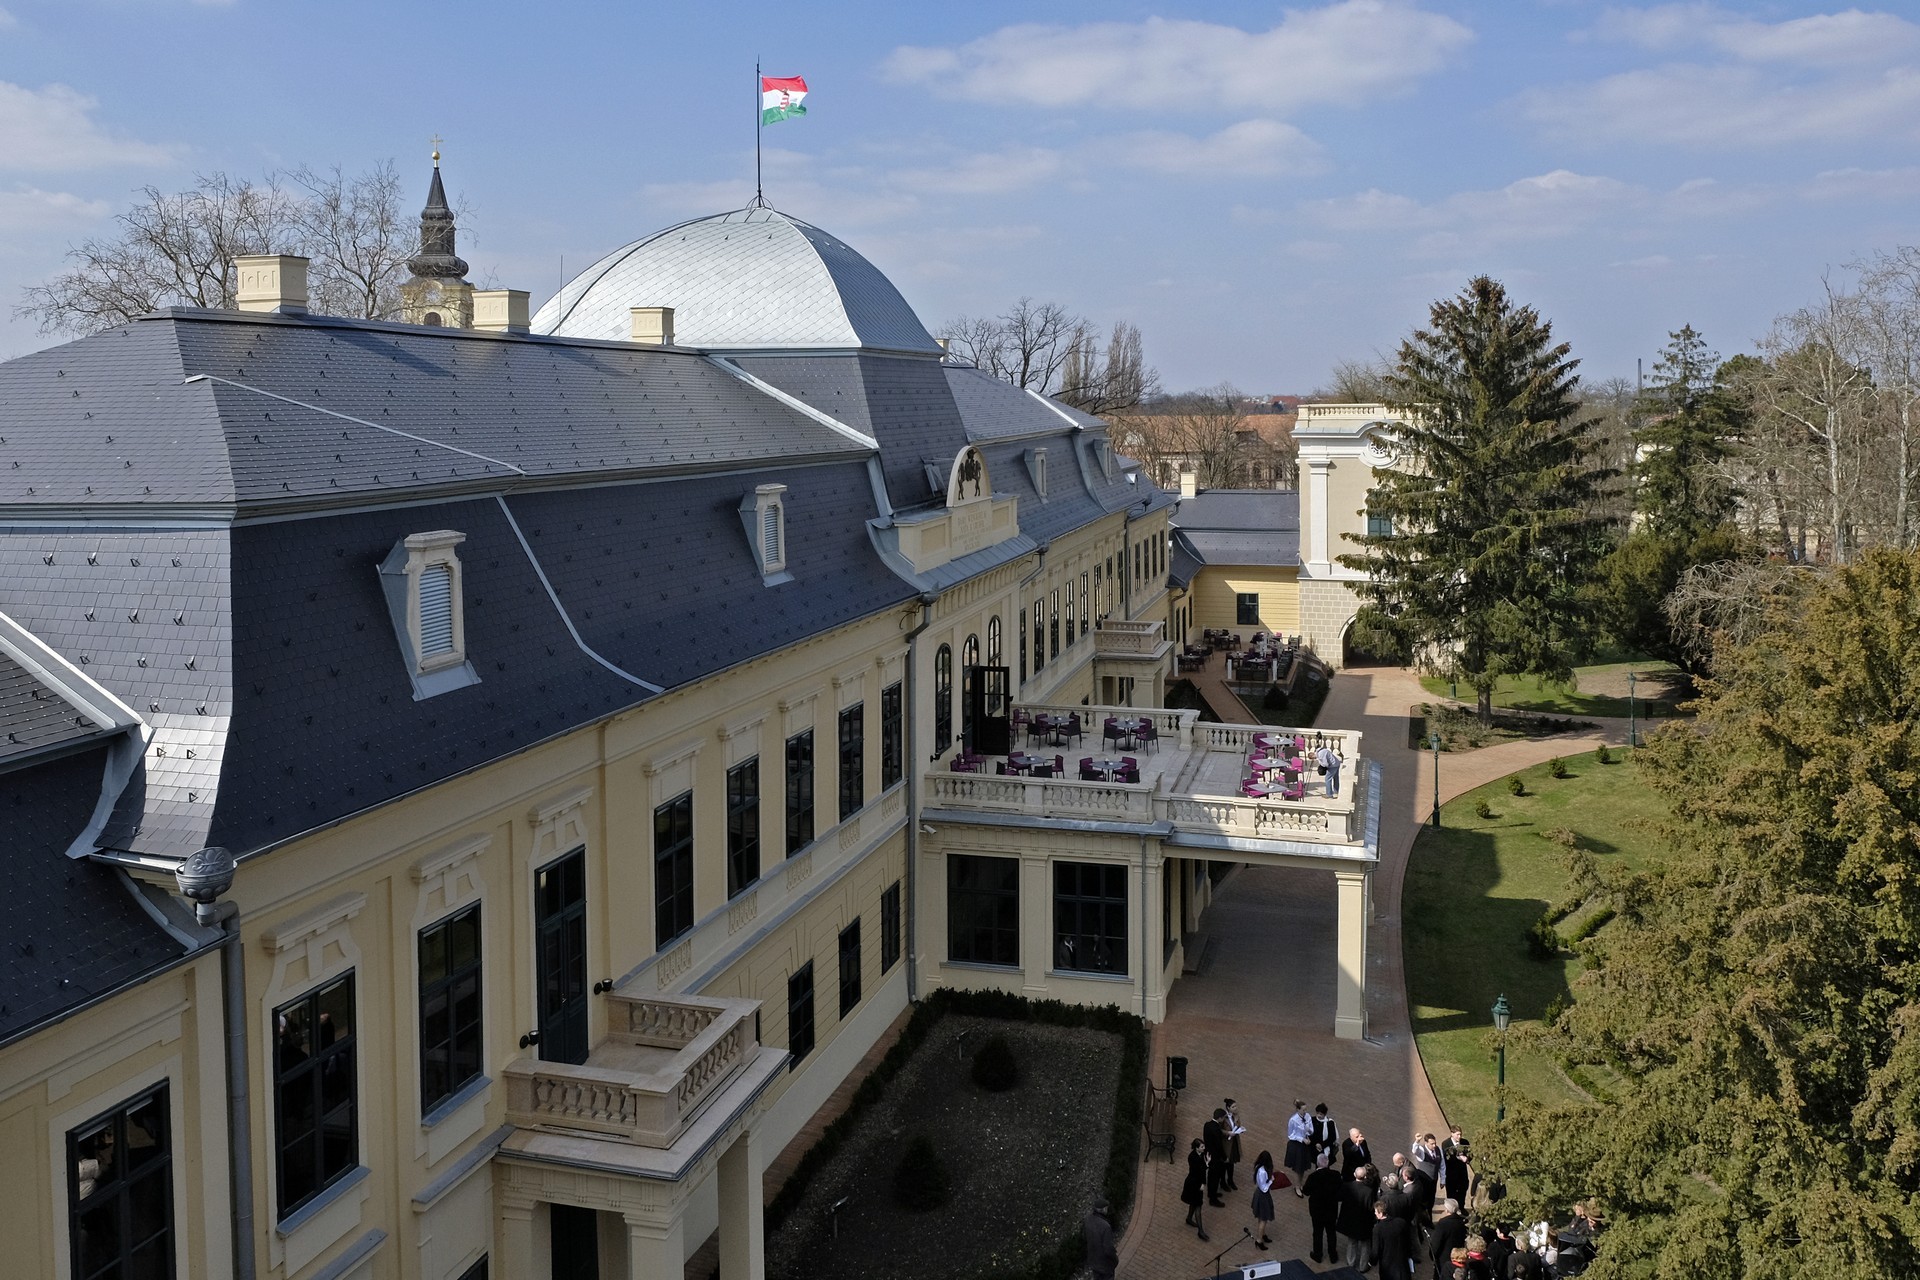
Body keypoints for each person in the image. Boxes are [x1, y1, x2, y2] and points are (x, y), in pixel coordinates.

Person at [1337, 1163, 1379, 1272]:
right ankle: (1363, 1266)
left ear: (1354, 1175)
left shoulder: (1347, 1186)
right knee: (1365, 1244)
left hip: (1351, 1219)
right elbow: (1370, 1207)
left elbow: (1339, 1197)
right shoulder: (1369, 1191)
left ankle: (1350, 1263)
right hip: (1363, 1221)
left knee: (1352, 1242)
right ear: (1365, 1177)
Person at [1304, 1149, 1344, 1264]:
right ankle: (1333, 1255)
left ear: (1317, 1164)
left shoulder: (1313, 1177)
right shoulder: (1336, 1175)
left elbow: (1306, 1191)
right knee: (1331, 1232)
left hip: (1317, 1211)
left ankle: (1317, 1254)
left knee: (1317, 1232)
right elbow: (1341, 1190)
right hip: (1331, 1209)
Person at [1373, 1200, 1418, 1278]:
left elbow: (1376, 1249)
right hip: (1402, 1263)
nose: (1375, 1213)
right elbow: (1408, 1241)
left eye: (1376, 1212)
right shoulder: (1401, 1222)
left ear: (1381, 1213)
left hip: (1388, 1266)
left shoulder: (1378, 1229)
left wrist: (1372, 1262)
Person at [1428, 1199, 1468, 1280]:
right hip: (1459, 1256)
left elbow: (1436, 1243)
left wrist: (1432, 1255)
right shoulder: (1462, 1222)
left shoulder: (1443, 1223)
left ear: (1447, 1210)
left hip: (1444, 1258)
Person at [1082, 1194, 1117, 1280]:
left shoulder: (1087, 1219)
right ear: (1103, 1209)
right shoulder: (1105, 1227)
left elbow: (1084, 1237)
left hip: (1093, 1261)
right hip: (1105, 1265)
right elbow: (1108, 1249)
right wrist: (1115, 1260)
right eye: (1106, 1208)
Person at [1182, 1138, 1211, 1241]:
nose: (1204, 1148)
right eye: (1202, 1147)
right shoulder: (1192, 1157)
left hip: (1197, 1183)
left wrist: (1206, 1163)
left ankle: (1189, 1218)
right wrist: (1203, 1183)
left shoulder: (1201, 1155)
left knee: (1194, 1203)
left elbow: (1201, 1169)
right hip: (1194, 1184)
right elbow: (1199, 1171)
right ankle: (1200, 1231)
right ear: (1196, 1148)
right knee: (1198, 1205)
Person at [1249, 1150, 1277, 1251]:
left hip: (1260, 1195)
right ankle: (1259, 1240)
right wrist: (1271, 1181)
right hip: (1263, 1196)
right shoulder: (1263, 1172)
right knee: (1263, 1219)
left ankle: (1263, 1234)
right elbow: (1264, 1188)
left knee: (1261, 1217)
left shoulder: (1259, 1167)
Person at [1285, 1101, 1314, 1194]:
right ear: (1298, 1109)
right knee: (1297, 1167)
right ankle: (1297, 1186)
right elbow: (1290, 1135)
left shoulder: (1308, 1116)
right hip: (1296, 1145)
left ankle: (1300, 1184)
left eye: (1305, 1110)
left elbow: (1311, 1130)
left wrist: (1309, 1132)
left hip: (1305, 1145)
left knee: (1303, 1166)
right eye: (1303, 1110)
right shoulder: (1293, 1120)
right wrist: (1302, 1139)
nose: (1305, 1112)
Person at [1204, 1108, 1230, 1206]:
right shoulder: (1216, 1129)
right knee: (1214, 1178)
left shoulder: (1207, 1125)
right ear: (1219, 1118)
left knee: (1211, 1176)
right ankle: (1213, 1199)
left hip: (1209, 1154)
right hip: (1215, 1157)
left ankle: (1211, 1193)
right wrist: (1225, 1157)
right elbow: (1219, 1146)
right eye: (1223, 1118)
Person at [1223, 1098, 1246, 1191]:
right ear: (1228, 1108)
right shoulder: (1223, 1117)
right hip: (1226, 1143)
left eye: (1236, 1106)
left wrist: (1240, 1129)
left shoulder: (1236, 1115)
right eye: (1233, 1107)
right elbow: (1220, 1130)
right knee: (1225, 1163)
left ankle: (1230, 1180)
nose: (1235, 1108)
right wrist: (1228, 1133)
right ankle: (1223, 1182)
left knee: (1231, 1162)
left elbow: (1238, 1125)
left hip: (1234, 1141)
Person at [1311, 1102, 1339, 1168]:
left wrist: (1322, 1145)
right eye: (1317, 1113)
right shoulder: (1312, 1120)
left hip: (1326, 1147)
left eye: (1321, 1114)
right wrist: (1316, 1144)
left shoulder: (1330, 1123)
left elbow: (1332, 1137)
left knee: (1325, 1163)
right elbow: (1310, 1134)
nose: (1319, 1116)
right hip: (1314, 1146)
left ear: (1325, 1114)